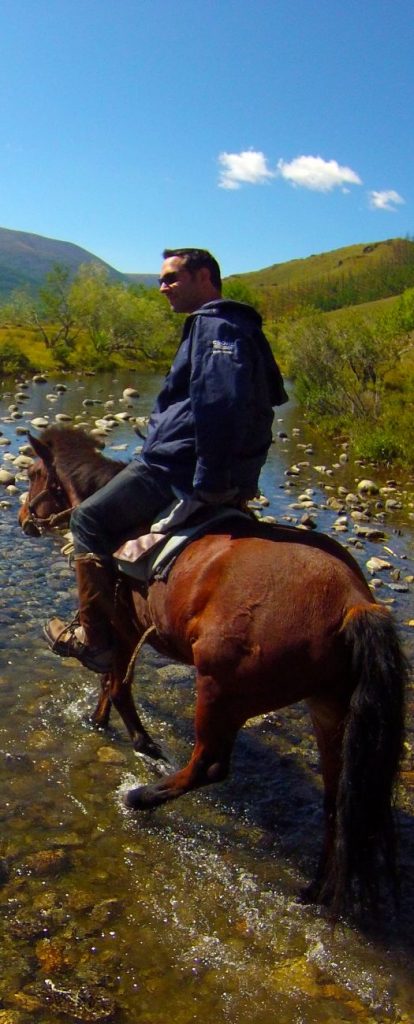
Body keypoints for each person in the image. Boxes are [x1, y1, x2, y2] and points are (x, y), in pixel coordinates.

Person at [44, 248, 288, 672]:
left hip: (173, 469)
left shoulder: (214, 327)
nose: (162, 287)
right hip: (216, 468)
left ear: (205, 277)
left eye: (172, 278)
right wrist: (245, 475)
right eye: (161, 279)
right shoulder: (241, 327)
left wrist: (211, 480)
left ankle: (95, 638)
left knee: (86, 520)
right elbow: (265, 405)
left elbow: (219, 403)